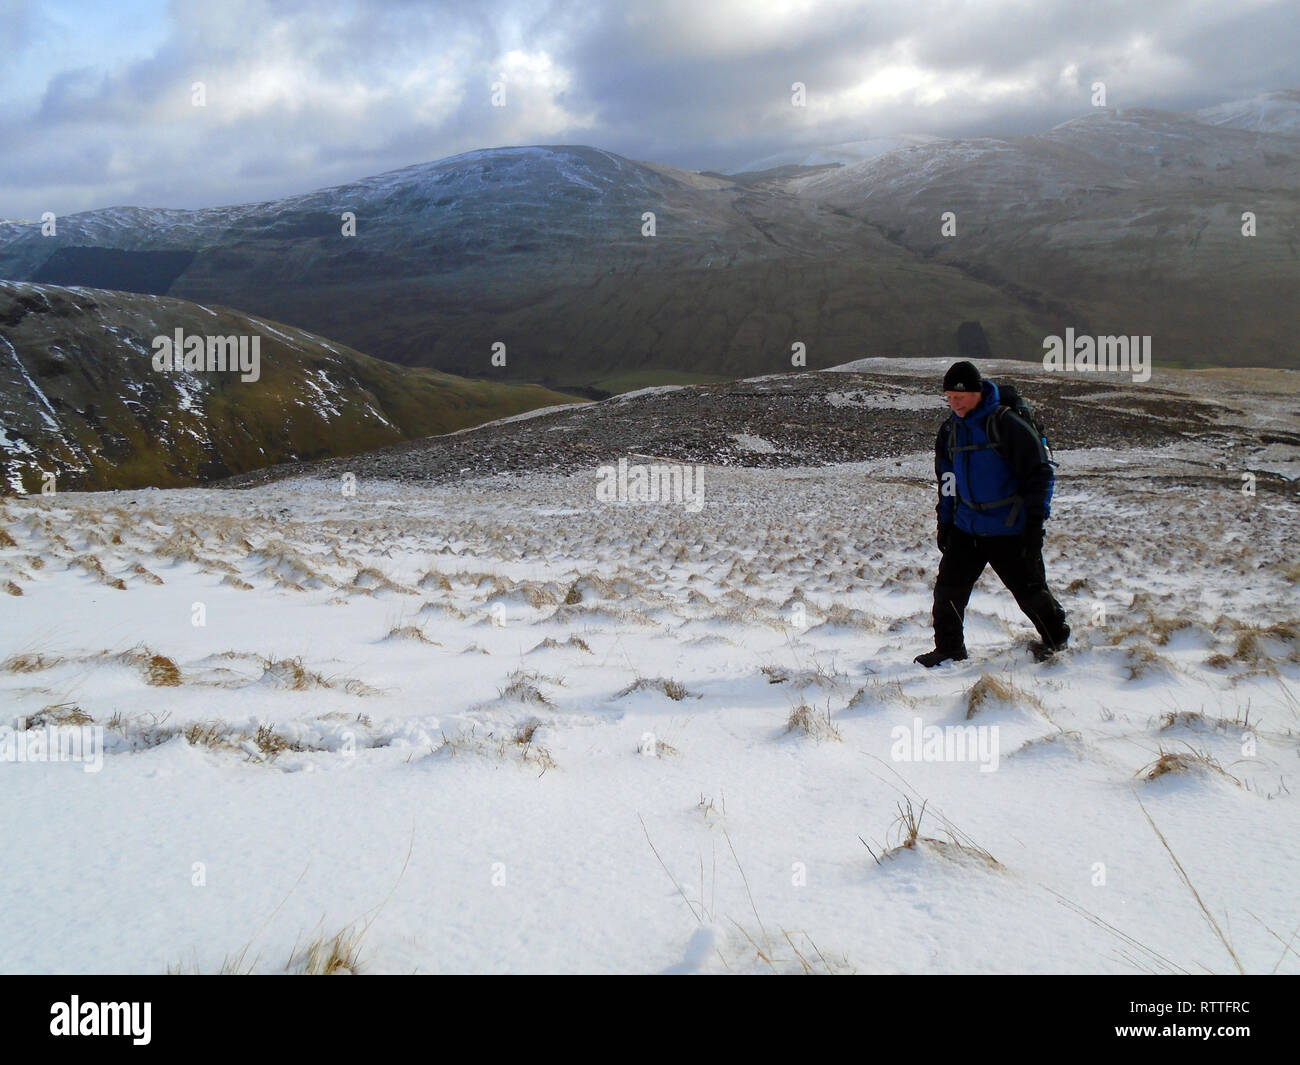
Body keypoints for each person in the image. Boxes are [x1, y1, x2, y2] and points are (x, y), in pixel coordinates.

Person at [915, 360, 1070, 667]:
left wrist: (1034, 524)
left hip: (1009, 527)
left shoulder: (1006, 424)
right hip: (967, 526)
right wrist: (945, 522)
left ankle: (1056, 638)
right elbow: (947, 481)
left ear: (977, 392)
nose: (954, 403)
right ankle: (949, 650)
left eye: (960, 396)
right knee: (948, 591)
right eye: (949, 397)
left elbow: (1039, 474)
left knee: (1030, 593)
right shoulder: (950, 431)